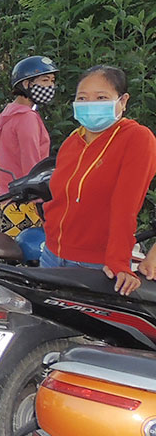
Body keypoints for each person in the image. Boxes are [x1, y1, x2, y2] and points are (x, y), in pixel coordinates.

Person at [41, 65, 156, 296]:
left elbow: (125, 206)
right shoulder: (73, 141)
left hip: (94, 266)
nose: (90, 104)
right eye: (82, 98)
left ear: (123, 101)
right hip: (51, 256)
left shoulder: (136, 139)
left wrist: (118, 262)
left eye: (101, 97)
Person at [0, 56, 57, 236]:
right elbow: (32, 165)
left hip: (7, 200)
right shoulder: (26, 118)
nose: (50, 86)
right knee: (29, 257)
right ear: (26, 84)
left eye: (52, 81)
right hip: (25, 202)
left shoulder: (10, 112)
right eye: (45, 80)